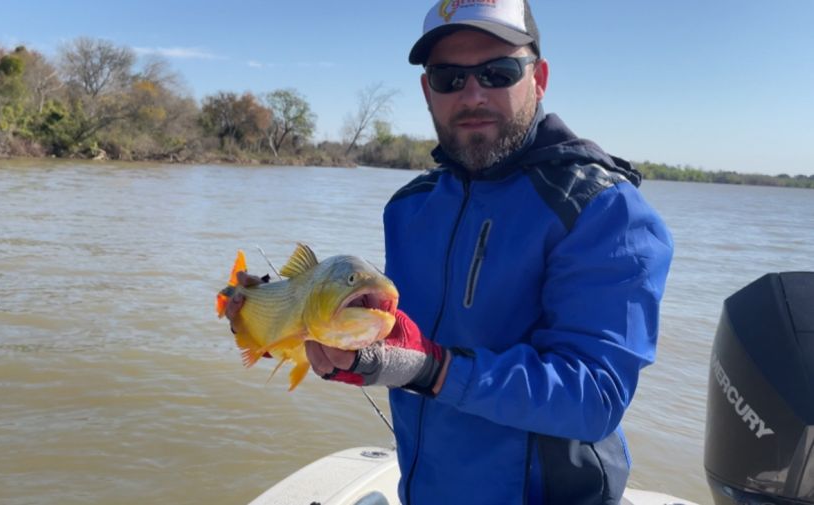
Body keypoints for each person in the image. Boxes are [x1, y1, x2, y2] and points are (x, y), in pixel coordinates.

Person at [228, 1, 674, 503]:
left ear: (539, 77)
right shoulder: (409, 207)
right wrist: (349, 346)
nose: (473, 94)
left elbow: (593, 398)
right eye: (448, 77)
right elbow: (406, 338)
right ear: (427, 90)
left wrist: (432, 369)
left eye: (498, 71)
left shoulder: (603, 210)